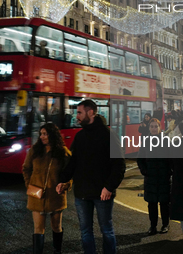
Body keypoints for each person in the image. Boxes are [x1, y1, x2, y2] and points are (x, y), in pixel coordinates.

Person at [57, 100, 126, 254]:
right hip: (82, 193)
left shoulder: (108, 135)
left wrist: (109, 187)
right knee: (85, 232)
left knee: (106, 231)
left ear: (91, 112)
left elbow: (119, 165)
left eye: (80, 113)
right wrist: (62, 179)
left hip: (102, 193)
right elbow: (73, 162)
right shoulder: (80, 136)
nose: (77, 116)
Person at [23, 123, 72, 254]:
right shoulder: (35, 150)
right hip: (36, 196)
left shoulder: (63, 152)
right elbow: (26, 169)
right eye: (41, 134)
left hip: (56, 196)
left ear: (52, 135)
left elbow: (70, 174)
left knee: (56, 226)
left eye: (45, 134)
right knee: (38, 228)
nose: (42, 137)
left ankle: (57, 250)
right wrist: (29, 185)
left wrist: (65, 185)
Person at [137, 118, 172, 235]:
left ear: (160, 128)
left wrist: (169, 172)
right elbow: (140, 158)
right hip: (150, 178)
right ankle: (153, 226)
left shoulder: (166, 141)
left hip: (164, 178)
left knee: (164, 203)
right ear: (149, 128)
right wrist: (144, 171)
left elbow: (172, 159)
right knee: (152, 204)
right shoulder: (146, 141)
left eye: (155, 126)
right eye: (151, 126)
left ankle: (165, 224)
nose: (153, 128)